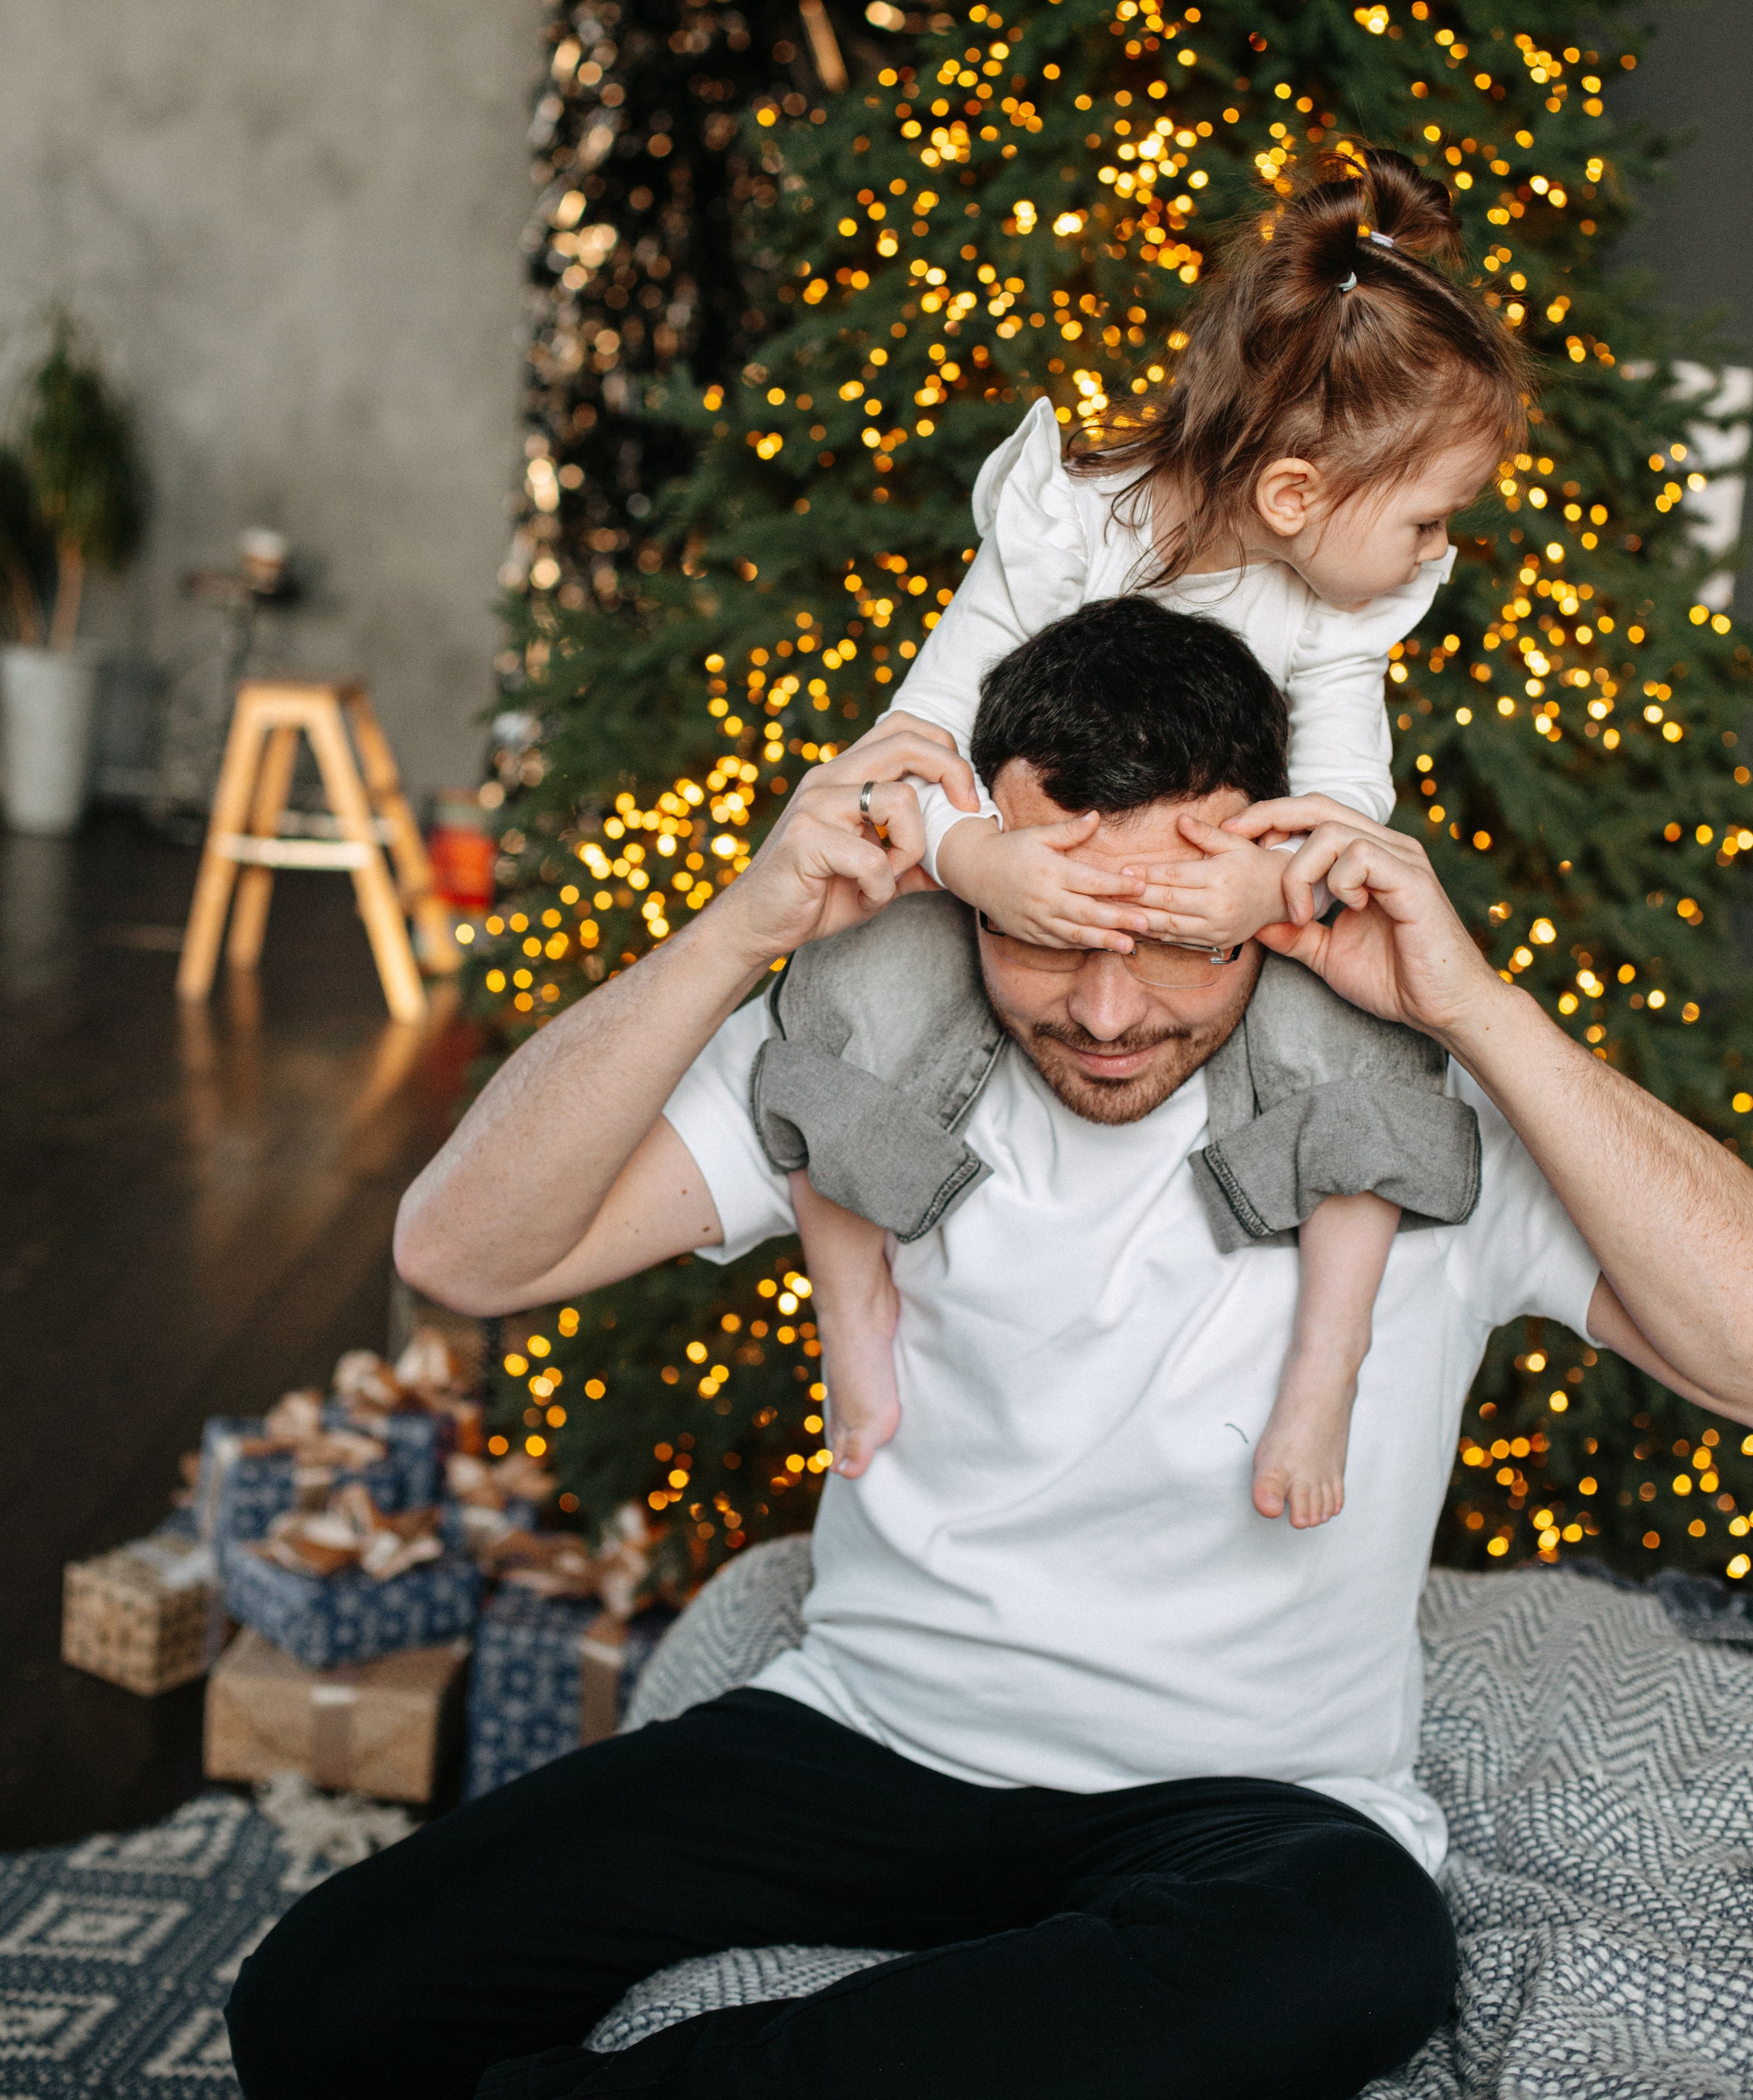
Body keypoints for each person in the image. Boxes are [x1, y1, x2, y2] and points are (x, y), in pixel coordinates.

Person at [227, 606, 1753, 2100]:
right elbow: (460, 1252)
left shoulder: (1413, 1115)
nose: (1104, 1010)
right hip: (863, 1739)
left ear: (1270, 896)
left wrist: (1474, 1008)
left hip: (1245, 1808)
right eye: (1044, 933)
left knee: (1356, 1951)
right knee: (323, 2004)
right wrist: (743, 922)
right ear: (973, 886)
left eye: (1167, 943)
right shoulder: (881, 1057)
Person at [798, 148, 1527, 1524]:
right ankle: (850, 1314)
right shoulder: (1064, 526)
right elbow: (911, 745)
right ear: (1299, 494)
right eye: (1428, 518)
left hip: (1212, 921)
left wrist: (1256, 887)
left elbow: (1344, 799)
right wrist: (972, 863)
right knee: (844, 992)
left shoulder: (1340, 614)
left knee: (1368, 1043)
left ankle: (1326, 1355)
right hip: (1013, 890)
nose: (1438, 552)